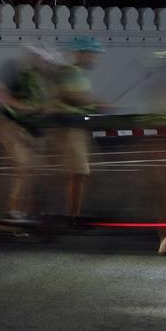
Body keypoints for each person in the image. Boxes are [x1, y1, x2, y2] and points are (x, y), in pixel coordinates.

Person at [0, 45, 57, 220]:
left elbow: (47, 105)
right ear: (36, 58)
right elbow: (0, 95)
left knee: (41, 171)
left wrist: (46, 110)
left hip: (33, 129)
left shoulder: (43, 79)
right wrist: (24, 106)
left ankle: (33, 209)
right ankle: (14, 211)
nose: (48, 67)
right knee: (24, 167)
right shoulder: (14, 69)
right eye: (45, 62)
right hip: (11, 124)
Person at [50, 36, 109, 217]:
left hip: (76, 128)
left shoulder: (76, 74)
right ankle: (72, 215)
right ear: (80, 54)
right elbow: (75, 97)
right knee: (78, 172)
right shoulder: (70, 72)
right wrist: (99, 105)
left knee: (80, 173)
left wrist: (94, 105)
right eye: (91, 54)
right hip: (69, 128)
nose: (94, 59)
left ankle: (72, 211)